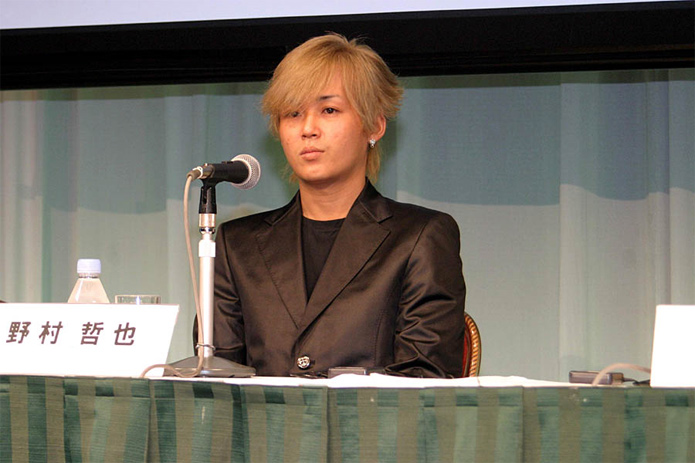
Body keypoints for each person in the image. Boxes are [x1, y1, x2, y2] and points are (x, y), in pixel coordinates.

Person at [211, 33, 466, 378]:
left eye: (329, 110)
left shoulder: (421, 236)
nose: (308, 129)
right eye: (293, 113)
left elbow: (424, 378)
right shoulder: (236, 244)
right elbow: (216, 379)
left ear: (374, 125)